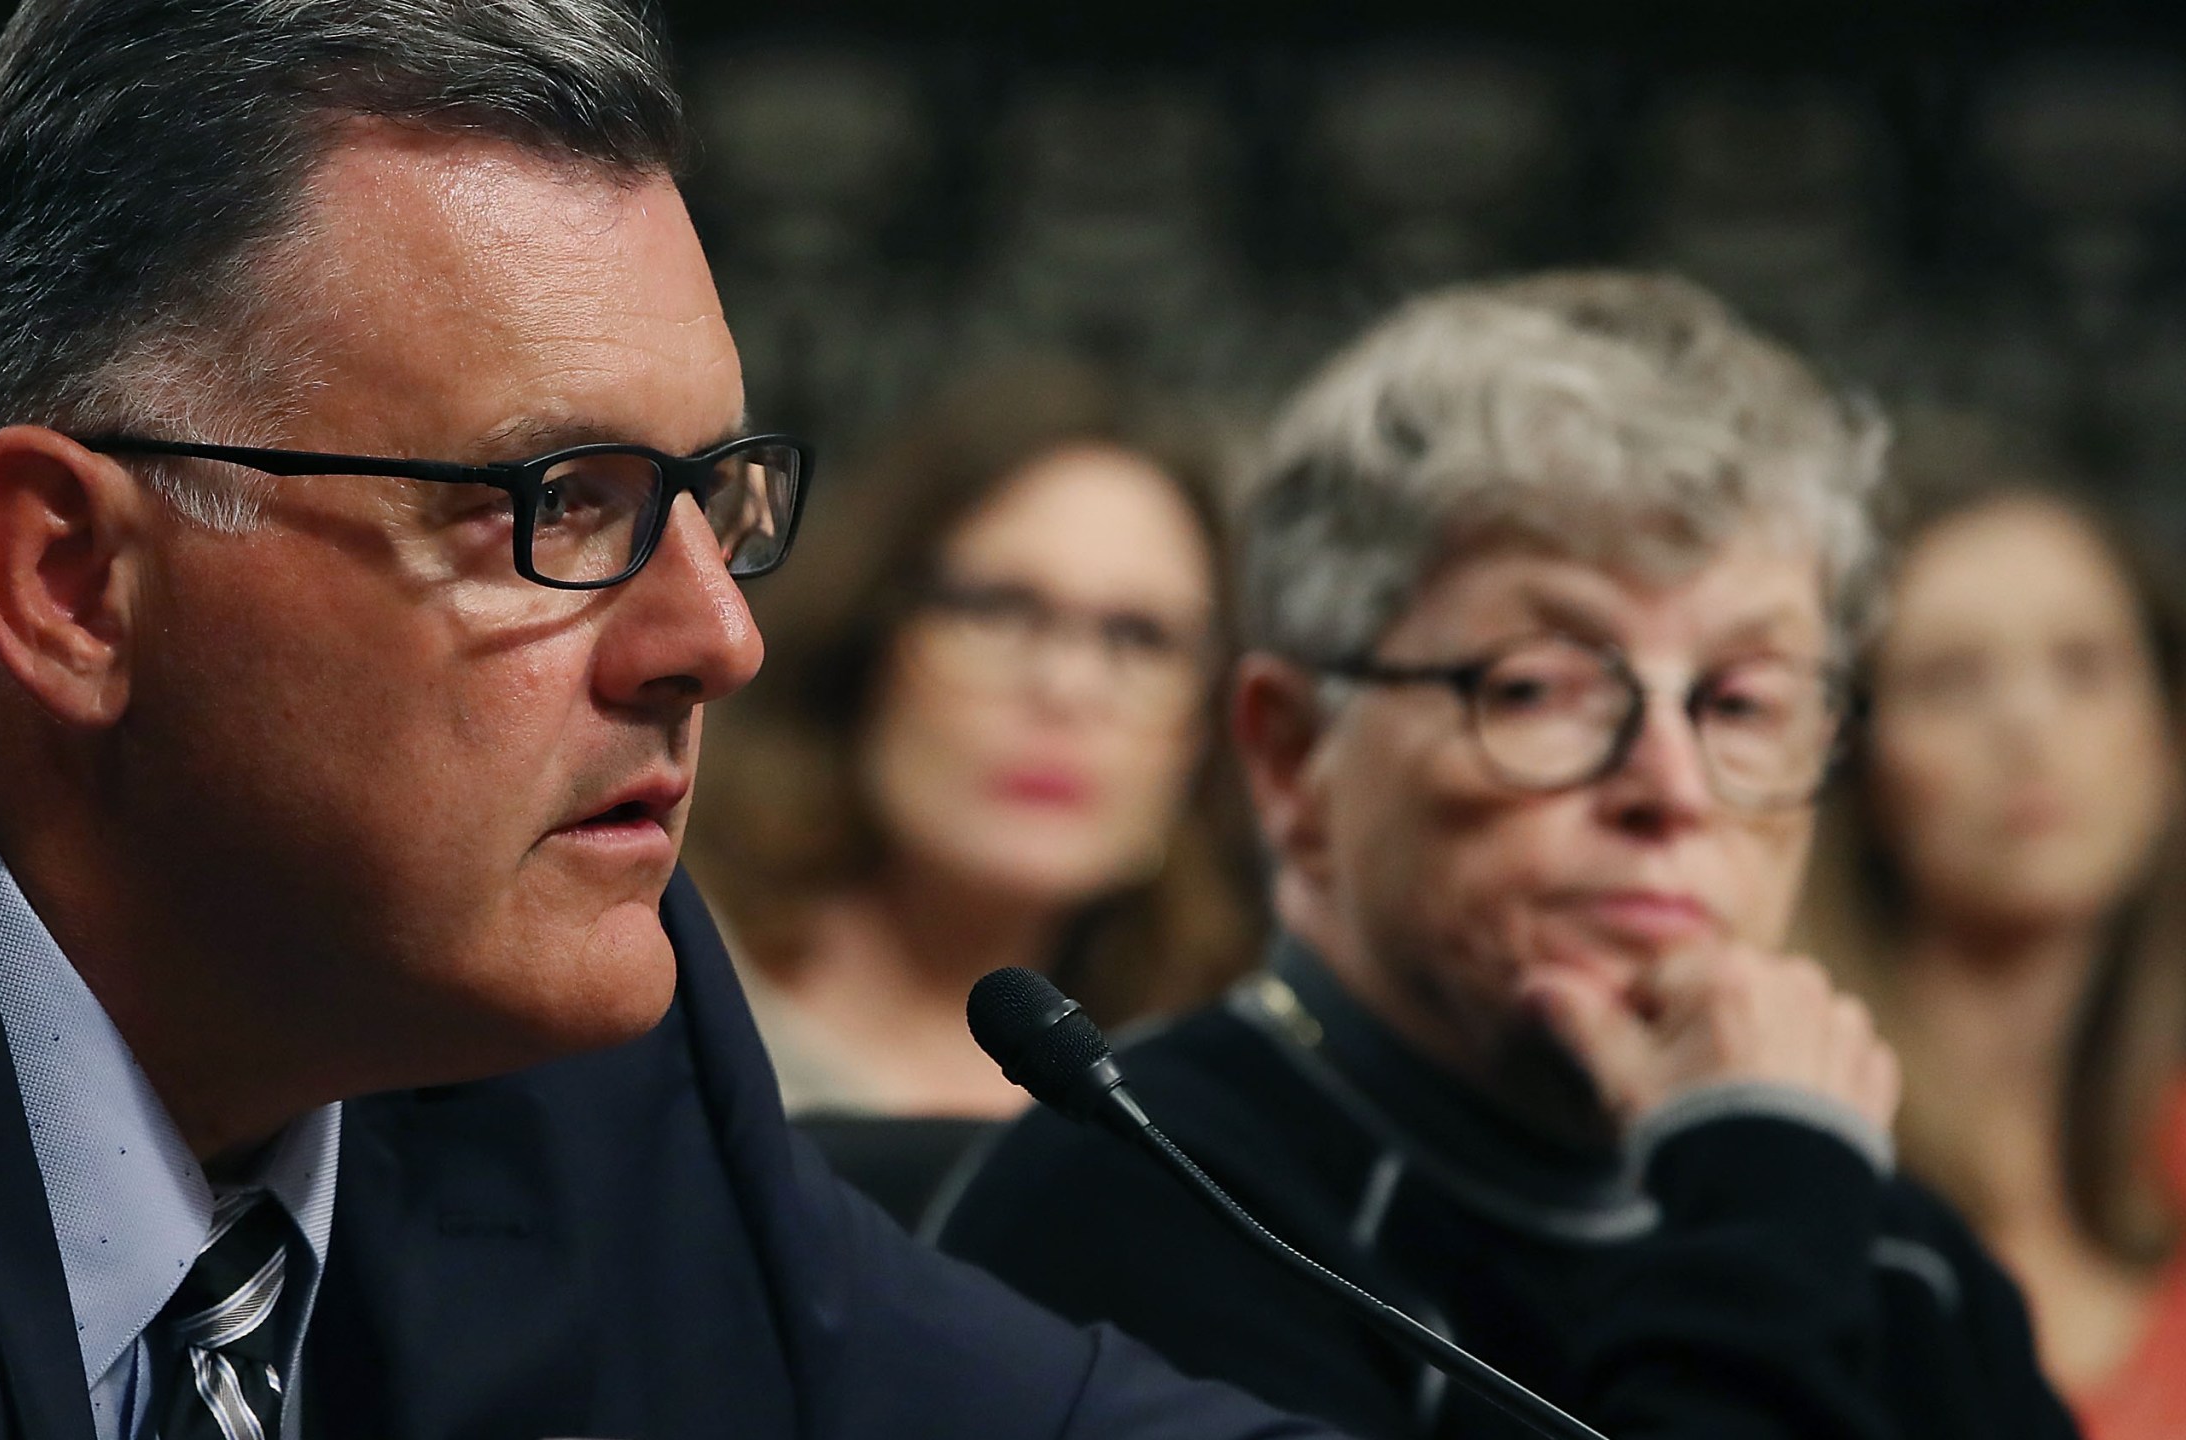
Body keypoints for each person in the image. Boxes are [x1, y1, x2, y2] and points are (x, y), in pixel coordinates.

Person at [0, 3, 1344, 1437]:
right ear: (76, 580)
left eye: (710, 497)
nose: (717, 639)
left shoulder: (565, 1049)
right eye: (555, 504)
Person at [939, 271, 2079, 1440]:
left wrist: (1774, 1194)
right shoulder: (1137, 1208)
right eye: (1541, 687)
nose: (1672, 789)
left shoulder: (1881, 1241)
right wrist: (1760, 1222)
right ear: (1292, 757)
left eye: (1741, 702)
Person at [692, 364, 1258, 1122]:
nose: (1067, 687)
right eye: (997, 609)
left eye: (1141, 637)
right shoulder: (669, 991)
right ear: (868, 637)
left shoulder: (1211, 1101)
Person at [1795, 417, 2186, 1440]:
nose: (2027, 723)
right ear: (1856, 765)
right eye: (1950, 677)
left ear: (2165, 739)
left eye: (2084, 666)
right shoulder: (1791, 1181)